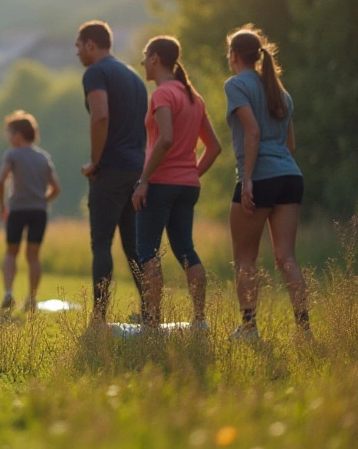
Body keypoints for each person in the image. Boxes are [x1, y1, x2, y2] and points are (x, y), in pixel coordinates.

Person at [129, 37, 221, 330]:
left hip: (159, 184)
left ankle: (152, 325)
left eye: (145, 57)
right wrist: (191, 173)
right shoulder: (194, 96)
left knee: (148, 252)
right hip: (187, 187)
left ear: (155, 58)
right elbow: (214, 147)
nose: (143, 62)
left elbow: (165, 138)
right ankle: (199, 321)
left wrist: (144, 180)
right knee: (186, 250)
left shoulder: (162, 95)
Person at [224, 26, 308, 340]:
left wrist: (247, 180)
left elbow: (253, 132)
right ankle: (304, 330)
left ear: (233, 56)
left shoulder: (236, 85)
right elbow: (291, 146)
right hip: (290, 176)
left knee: (245, 257)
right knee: (286, 257)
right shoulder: (280, 92)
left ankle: (248, 329)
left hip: (259, 177)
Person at [76, 20, 148, 324]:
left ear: (91, 44)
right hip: (137, 169)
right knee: (134, 247)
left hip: (112, 169)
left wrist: (95, 161)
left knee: (102, 243)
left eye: (79, 46)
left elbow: (100, 116)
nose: (77, 53)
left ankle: (99, 317)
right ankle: (150, 312)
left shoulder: (96, 73)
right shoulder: (133, 75)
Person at [0, 111, 61, 313]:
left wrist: (2, 207)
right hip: (39, 212)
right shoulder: (43, 157)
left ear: (18, 135)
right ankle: (31, 298)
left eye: (9, 132)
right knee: (33, 256)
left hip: (17, 210)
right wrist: (43, 201)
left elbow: (0, 181)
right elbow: (56, 187)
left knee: (11, 252)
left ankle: (8, 293)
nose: (7, 137)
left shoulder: (12, 155)